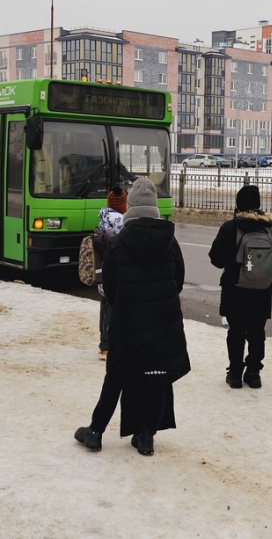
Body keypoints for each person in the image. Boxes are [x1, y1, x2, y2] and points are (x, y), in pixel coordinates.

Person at [74, 177, 189, 456]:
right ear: (154, 207)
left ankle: (95, 432)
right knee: (158, 376)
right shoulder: (170, 241)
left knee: (116, 376)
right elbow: (179, 280)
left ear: (131, 207)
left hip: (127, 324)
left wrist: (127, 305)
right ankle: (146, 437)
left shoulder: (118, 243)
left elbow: (110, 288)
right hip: (162, 324)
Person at [208, 184, 272, 389]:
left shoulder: (231, 227)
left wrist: (234, 265)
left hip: (235, 289)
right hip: (262, 291)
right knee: (257, 331)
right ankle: (253, 373)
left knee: (236, 331)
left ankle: (235, 373)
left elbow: (215, 258)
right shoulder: (271, 229)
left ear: (238, 204)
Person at [94, 185, 127, 361]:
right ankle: (107, 346)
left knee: (105, 306)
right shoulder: (121, 222)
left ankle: (104, 344)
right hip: (116, 272)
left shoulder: (103, 220)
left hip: (103, 271)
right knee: (113, 309)